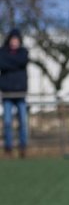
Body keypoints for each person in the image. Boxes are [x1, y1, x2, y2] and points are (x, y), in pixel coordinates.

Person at [0, 29, 30, 159]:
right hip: (7, 93)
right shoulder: (2, 52)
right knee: (7, 122)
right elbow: (3, 64)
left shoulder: (23, 52)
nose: (14, 42)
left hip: (20, 93)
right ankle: (8, 148)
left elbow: (21, 61)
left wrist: (9, 63)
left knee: (23, 121)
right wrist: (14, 64)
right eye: (12, 39)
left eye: (16, 40)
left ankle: (23, 147)